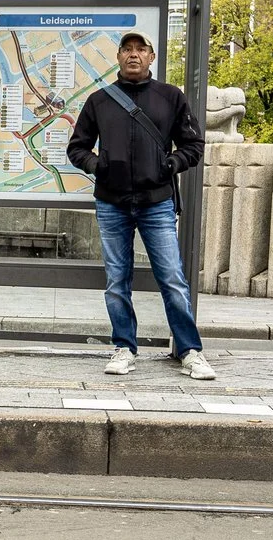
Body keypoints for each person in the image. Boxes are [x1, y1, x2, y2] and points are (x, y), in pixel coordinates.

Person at [65, 30, 213, 381]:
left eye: (141, 49)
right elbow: (77, 148)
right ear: (118, 57)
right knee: (117, 280)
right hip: (112, 203)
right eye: (127, 49)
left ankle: (190, 351)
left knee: (172, 278)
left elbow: (193, 146)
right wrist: (99, 165)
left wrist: (170, 165)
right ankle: (124, 348)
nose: (134, 55)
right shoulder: (100, 101)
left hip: (157, 203)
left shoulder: (170, 97)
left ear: (151, 57)